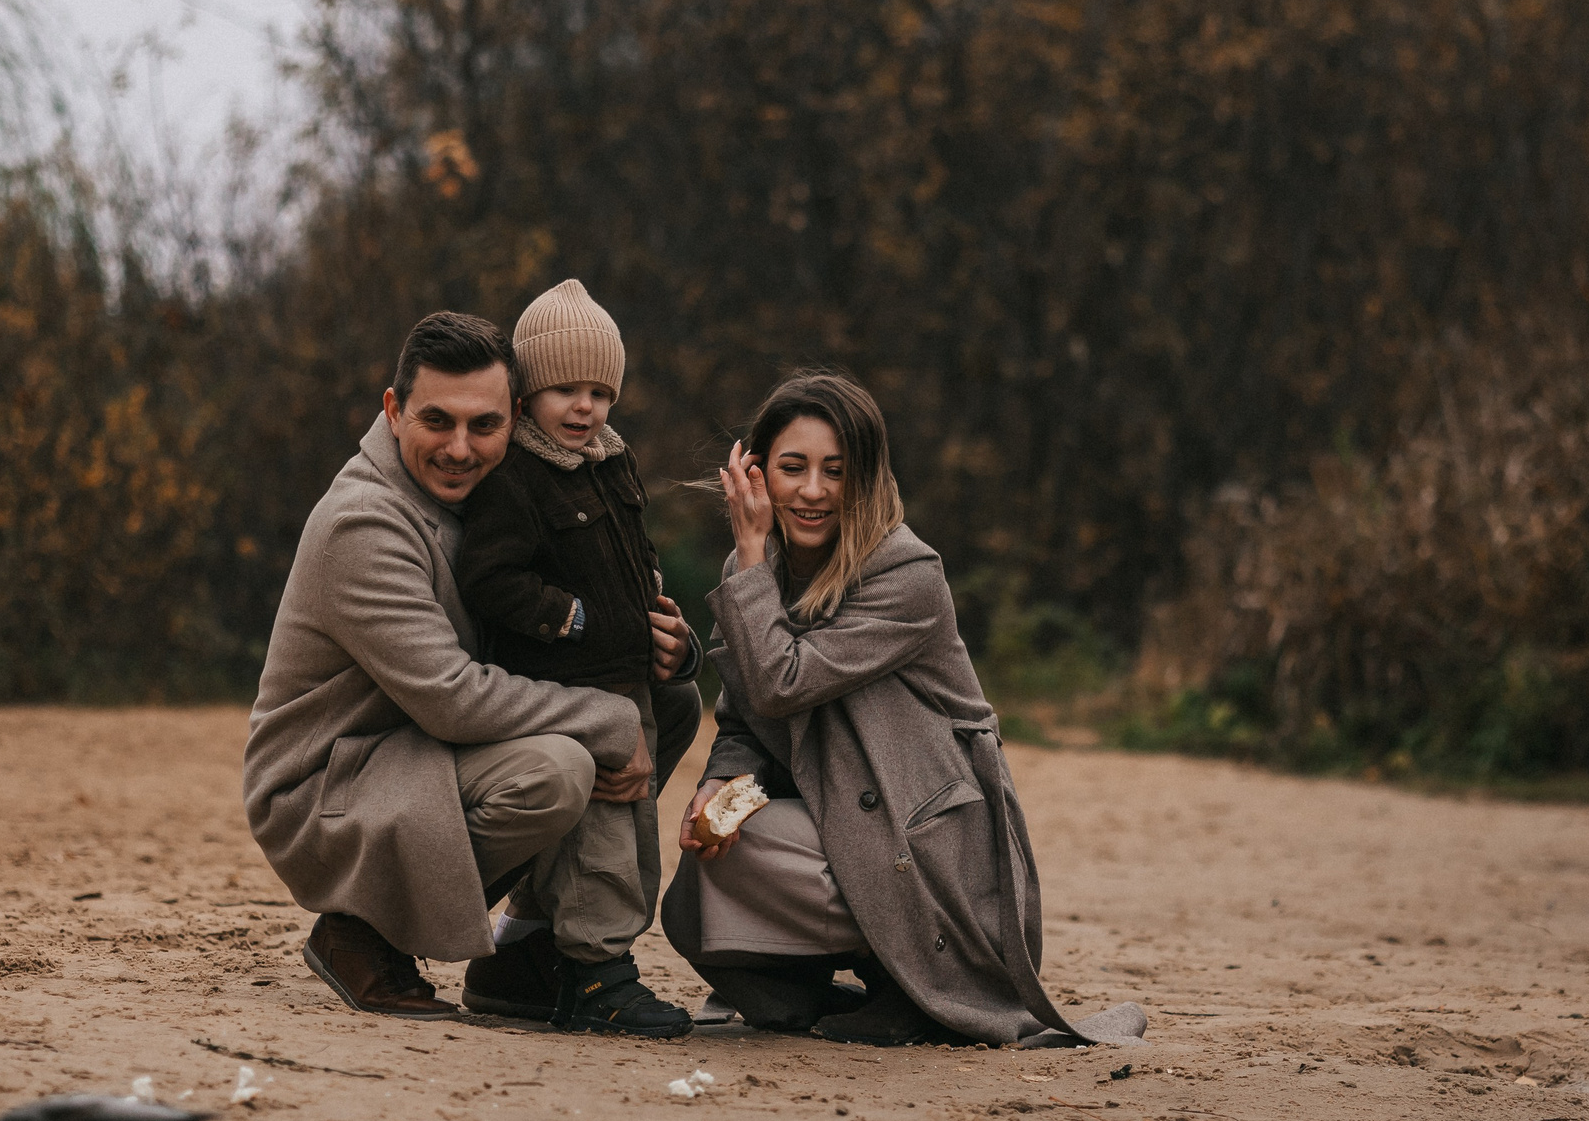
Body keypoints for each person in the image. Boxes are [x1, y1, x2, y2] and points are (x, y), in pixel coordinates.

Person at [661, 370, 1143, 1048]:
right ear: (756, 469)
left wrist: (746, 554)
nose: (813, 490)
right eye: (792, 466)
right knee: (706, 871)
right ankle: (811, 991)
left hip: (934, 848)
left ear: (866, 477)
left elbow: (779, 681)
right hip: (847, 818)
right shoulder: (756, 570)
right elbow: (746, 715)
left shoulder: (905, 574)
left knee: (758, 852)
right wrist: (721, 780)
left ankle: (910, 985)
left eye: (836, 469)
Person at [242, 311, 701, 1017]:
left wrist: (660, 643)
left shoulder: (499, 492)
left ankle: (526, 945)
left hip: (417, 750)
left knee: (665, 705)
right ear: (393, 411)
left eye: (483, 425)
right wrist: (607, 717)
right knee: (560, 767)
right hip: (334, 779)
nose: (460, 448)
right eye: (437, 420)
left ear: (515, 418)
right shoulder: (364, 523)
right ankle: (362, 929)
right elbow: (453, 697)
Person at [452, 280, 693, 1037]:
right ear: (526, 394)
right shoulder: (514, 479)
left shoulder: (610, 463)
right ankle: (596, 977)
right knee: (603, 835)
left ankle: (555, 953)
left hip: (628, 679)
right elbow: (491, 580)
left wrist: (663, 627)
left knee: (638, 830)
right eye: (564, 389)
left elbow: (636, 557)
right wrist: (571, 614)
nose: (585, 407)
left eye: (600, 391)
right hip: (568, 686)